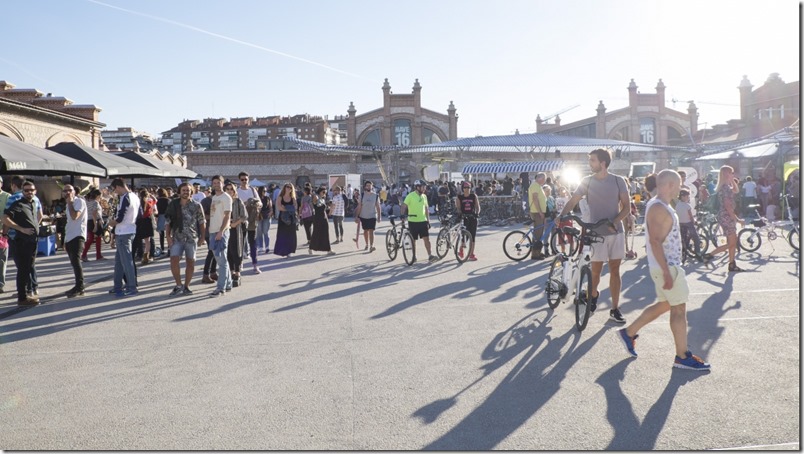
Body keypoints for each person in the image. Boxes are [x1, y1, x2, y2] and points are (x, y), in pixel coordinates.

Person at [617, 169, 711, 371]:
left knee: (666, 305)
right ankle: (682, 356)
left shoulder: (660, 205)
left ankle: (629, 332)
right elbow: (655, 241)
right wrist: (668, 272)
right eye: (678, 185)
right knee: (679, 309)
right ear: (669, 185)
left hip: (666, 266)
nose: (681, 188)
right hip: (667, 267)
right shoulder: (659, 208)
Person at [558, 148, 630, 324]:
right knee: (595, 272)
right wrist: (560, 217)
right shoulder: (587, 181)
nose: (590, 163)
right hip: (595, 233)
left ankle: (615, 308)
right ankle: (593, 295)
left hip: (615, 232)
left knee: (615, 271)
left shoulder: (618, 181)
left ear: (602, 163)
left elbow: (626, 207)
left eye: (592, 160)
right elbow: (573, 200)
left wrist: (615, 221)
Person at [3, 180, 40, 305]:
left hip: (33, 241)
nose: (29, 192)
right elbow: (5, 218)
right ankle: (22, 297)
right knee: (23, 269)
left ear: (35, 191)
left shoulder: (34, 203)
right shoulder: (18, 203)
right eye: (26, 190)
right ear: (22, 191)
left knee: (29, 267)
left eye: (31, 190)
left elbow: (38, 217)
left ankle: (27, 293)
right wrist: (20, 228)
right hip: (22, 241)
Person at [165, 183, 206, 296]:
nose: (186, 192)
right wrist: (168, 236)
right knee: (174, 260)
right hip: (177, 237)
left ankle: (187, 286)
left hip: (191, 238)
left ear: (191, 192)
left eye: (188, 190)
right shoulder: (173, 204)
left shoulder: (197, 205)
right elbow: (167, 221)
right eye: (183, 190)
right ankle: (178, 285)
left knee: (190, 262)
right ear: (179, 191)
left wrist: (203, 237)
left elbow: (202, 222)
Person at [703, 165, 744, 272]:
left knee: (732, 242)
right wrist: (736, 218)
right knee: (732, 242)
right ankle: (710, 255)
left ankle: (731, 264)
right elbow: (727, 205)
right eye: (732, 173)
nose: (733, 174)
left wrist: (732, 181)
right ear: (727, 174)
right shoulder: (725, 188)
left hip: (725, 216)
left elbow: (736, 190)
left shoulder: (726, 186)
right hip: (726, 216)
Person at [108, 179, 140, 297]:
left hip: (123, 231)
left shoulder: (125, 197)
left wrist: (111, 223)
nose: (115, 192)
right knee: (119, 262)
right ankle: (117, 286)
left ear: (118, 187)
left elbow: (120, 217)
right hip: (130, 229)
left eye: (114, 189)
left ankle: (131, 286)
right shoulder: (134, 196)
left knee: (126, 261)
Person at [208, 175, 232, 297]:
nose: (216, 184)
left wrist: (221, 231)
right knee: (221, 259)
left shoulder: (226, 197)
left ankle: (220, 288)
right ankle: (228, 284)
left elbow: (227, 216)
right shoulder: (214, 197)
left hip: (220, 231)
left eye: (218, 182)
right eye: (214, 182)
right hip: (213, 230)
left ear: (223, 184)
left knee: (221, 260)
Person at [62, 184, 87, 298]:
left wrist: (70, 202)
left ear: (74, 191)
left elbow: (74, 216)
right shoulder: (68, 204)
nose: (67, 193)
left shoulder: (79, 201)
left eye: (70, 190)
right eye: (65, 191)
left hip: (78, 235)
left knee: (76, 262)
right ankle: (78, 285)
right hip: (70, 236)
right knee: (73, 262)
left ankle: (80, 286)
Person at [402, 179, 436, 263]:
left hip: (423, 221)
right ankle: (414, 256)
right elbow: (404, 206)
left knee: (426, 239)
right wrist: (402, 216)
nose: (424, 189)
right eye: (423, 187)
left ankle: (430, 255)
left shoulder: (424, 196)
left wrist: (428, 220)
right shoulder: (410, 195)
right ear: (417, 187)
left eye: (424, 187)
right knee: (413, 240)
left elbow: (426, 208)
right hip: (413, 221)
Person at [223, 183, 246, 288]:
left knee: (236, 251)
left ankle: (237, 273)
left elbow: (244, 216)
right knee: (228, 252)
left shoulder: (238, 202)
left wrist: (234, 223)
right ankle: (231, 272)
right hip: (224, 229)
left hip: (236, 229)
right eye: (227, 189)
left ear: (234, 191)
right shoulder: (222, 201)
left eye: (231, 189)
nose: (229, 191)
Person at [354, 180, 382, 252]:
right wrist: (357, 216)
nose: (369, 186)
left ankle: (371, 246)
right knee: (365, 231)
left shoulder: (375, 196)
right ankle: (366, 244)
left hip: (372, 216)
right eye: (367, 185)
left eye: (370, 185)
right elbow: (359, 206)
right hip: (363, 216)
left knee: (371, 230)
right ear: (365, 187)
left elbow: (378, 207)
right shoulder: (362, 195)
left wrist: (379, 216)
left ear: (372, 186)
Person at [677, 188, 703, 261]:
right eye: (687, 196)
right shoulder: (687, 206)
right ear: (683, 196)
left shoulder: (677, 205)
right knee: (696, 238)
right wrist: (695, 221)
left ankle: (684, 252)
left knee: (683, 238)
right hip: (688, 223)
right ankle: (698, 254)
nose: (688, 198)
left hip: (681, 223)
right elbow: (691, 216)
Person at [456, 181, 480, 261]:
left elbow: (477, 206)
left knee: (472, 236)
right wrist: (460, 213)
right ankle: (461, 249)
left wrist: (477, 213)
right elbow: (458, 207)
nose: (467, 189)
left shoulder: (473, 196)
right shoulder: (460, 197)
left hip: (472, 217)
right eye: (465, 187)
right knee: (464, 237)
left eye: (469, 187)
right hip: (464, 218)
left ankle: (471, 254)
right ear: (463, 188)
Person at [274, 183, 298, 258]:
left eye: (290, 187)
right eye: (287, 187)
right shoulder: (280, 197)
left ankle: (289, 251)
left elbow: (295, 207)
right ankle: (283, 251)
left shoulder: (293, 197)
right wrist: (289, 208)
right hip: (283, 219)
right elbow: (279, 207)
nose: (289, 188)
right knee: (282, 234)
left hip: (291, 218)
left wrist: (286, 208)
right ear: (284, 188)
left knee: (291, 235)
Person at [81, 189, 106, 262]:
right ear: (98, 195)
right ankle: (97, 255)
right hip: (95, 221)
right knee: (97, 238)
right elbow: (94, 213)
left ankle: (85, 254)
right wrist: (95, 225)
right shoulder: (95, 202)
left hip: (88, 221)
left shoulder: (87, 201)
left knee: (92, 238)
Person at [309, 186, 335, 255]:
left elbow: (324, 208)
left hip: (324, 217)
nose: (324, 193)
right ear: (320, 192)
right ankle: (311, 248)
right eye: (323, 192)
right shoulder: (316, 197)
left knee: (325, 234)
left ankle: (328, 249)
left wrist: (330, 208)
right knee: (316, 233)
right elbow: (314, 201)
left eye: (325, 192)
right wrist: (315, 195)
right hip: (317, 218)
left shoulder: (323, 199)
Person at [528, 173, 548, 260]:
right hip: (537, 212)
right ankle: (535, 254)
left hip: (537, 212)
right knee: (538, 233)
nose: (545, 181)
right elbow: (535, 199)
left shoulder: (537, 186)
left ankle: (538, 251)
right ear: (540, 178)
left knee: (539, 233)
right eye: (544, 179)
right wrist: (540, 212)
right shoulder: (535, 185)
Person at [244, 190, 261, 274]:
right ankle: (238, 265)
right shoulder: (236, 190)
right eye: (242, 179)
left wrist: (256, 204)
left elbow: (260, 203)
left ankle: (255, 264)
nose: (244, 181)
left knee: (253, 245)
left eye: (245, 179)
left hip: (252, 224)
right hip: (240, 223)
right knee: (239, 245)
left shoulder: (252, 190)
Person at [0, 176, 10, 293]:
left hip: (2, 233)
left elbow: (10, 215)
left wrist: (5, 232)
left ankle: (0, 284)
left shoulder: (7, 197)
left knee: (1, 260)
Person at [256, 186, 273, 254]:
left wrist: (270, 213)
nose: (265, 192)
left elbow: (271, 207)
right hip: (259, 217)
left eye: (266, 191)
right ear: (260, 191)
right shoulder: (257, 199)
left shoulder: (267, 198)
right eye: (264, 191)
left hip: (266, 216)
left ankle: (267, 247)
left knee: (266, 231)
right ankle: (260, 247)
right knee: (259, 232)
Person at [155, 188, 170, 257]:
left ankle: (162, 248)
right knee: (168, 234)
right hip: (167, 216)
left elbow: (157, 211)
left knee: (161, 234)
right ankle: (169, 248)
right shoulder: (168, 200)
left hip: (161, 216)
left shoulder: (158, 201)